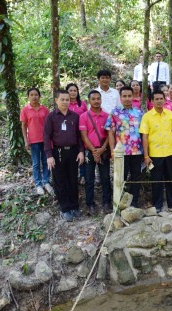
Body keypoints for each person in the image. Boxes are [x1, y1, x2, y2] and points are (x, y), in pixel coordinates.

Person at [44, 90, 84, 222]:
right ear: (56, 100)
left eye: (67, 99)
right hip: (58, 153)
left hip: (73, 151)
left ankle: (74, 205)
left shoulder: (75, 116)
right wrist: (49, 155)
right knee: (60, 181)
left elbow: (79, 136)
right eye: (62, 99)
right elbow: (46, 136)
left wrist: (81, 151)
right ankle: (65, 208)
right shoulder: (51, 117)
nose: (65, 102)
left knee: (73, 179)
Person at [140, 90, 172, 213]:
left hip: (170, 153)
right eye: (156, 99)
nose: (159, 101)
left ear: (165, 100)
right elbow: (145, 137)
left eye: (161, 98)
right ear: (152, 101)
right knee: (156, 180)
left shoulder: (170, 114)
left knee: (170, 178)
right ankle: (157, 204)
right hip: (154, 155)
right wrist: (146, 156)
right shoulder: (147, 116)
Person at [105, 86, 144, 208]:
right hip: (121, 152)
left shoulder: (139, 112)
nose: (127, 99)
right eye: (124, 96)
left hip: (137, 151)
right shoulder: (115, 112)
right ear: (120, 97)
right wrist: (112, 151)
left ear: (133, 96)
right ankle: (119, 203)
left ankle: (134, 202)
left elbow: (144, 133)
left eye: (129, 96)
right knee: (120, 178)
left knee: (136, 178)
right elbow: (110, 133)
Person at [79, 90, 112, 216]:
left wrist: (102, 149)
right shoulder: (83, 117)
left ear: (101, 100)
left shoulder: (107, 116)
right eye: (93, 99)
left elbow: (110, 135)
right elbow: (84, 136)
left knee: (105, 178)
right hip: (90, 151)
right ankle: (90, 204)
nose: (96, 101)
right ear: (89, 101)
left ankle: (106, 203)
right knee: (89, 179)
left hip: (103, 151)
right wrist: (94, 151)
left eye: (98, 98)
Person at [20, 87, 52, 196]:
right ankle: (38, 184)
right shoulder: (25, 110)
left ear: (39, 96)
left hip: (45, 140)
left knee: (46, 161)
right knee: (36, 163)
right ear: (28, 96)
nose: (34, 96)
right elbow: (24, 126)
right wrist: (26, 140)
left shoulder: (45, 109)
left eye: (36, 94)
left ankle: (46, 181)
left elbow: (49, 125)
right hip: (33, 141)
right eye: (31, 95)